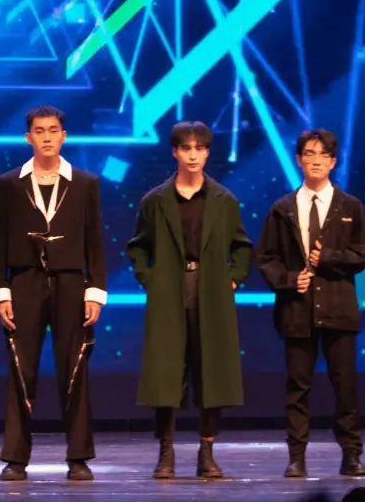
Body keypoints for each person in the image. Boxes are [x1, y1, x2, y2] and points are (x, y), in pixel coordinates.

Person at [127, 121, 252, 479]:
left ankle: (206, 451)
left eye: (199, 148)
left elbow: (242, 246)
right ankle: (165, 452)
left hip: (210, 289)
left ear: (208, 152)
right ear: (175, 152)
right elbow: (138, 247)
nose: (193, 155)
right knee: (166, 371)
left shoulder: (223, 200)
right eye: (186, 148)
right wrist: (151, 279)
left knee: (211, 370)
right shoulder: (155, 201)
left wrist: (232, 279)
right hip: (170, 289)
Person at [0, 105, 106, 481]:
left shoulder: (85, 183)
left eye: (53, 130)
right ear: (28, 137)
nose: (46, 137)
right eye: (39, 131)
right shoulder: (10, 183)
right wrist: (1, 291)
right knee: (20, 369)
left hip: (71, 283)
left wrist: (95, 290)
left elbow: (95, 240)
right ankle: (15, 458)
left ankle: (78, 456)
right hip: (24, 282)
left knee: (74, 367)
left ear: (64, 136)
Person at [256, 129, 365, 478]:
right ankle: (296, 457)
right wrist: (290, 280)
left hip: (339, 308)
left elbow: (363, 253)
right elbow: (266, 258)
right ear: (299, 160)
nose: (316, 160)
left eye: (323, 155)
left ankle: (351, 455)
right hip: (297, 310)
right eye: (310, 153)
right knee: (297, 387)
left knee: (345, 386)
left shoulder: (350, 206)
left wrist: (329, 258)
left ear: (333, 162)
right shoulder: (283, 209)